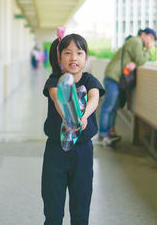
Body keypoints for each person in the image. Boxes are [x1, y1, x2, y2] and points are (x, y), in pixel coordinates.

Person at [42, 31, 105, 225]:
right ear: (59, 57)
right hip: (56, 151)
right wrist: (70, 118)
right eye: (67, 53)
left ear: (86, 57)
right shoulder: (55, 81)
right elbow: (58, 98)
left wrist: (84, 115)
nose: (74, 58)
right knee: (53, 211)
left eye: (79, 53)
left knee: (80, 210)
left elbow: (94, 97)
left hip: (82, 152)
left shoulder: (89, 80)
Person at [99, 27, 157, 147]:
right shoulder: (136, 41)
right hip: (113, 77)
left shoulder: (136, 41)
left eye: (153, 40)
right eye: (150, 37)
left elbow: (136, 61)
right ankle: (103, 135)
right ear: (144, 35)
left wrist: (135, 64)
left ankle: (109, 133)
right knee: (109, 106)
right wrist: (148, 50)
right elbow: (141, 60)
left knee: (113, 107)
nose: (150, 41)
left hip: (115, 77)